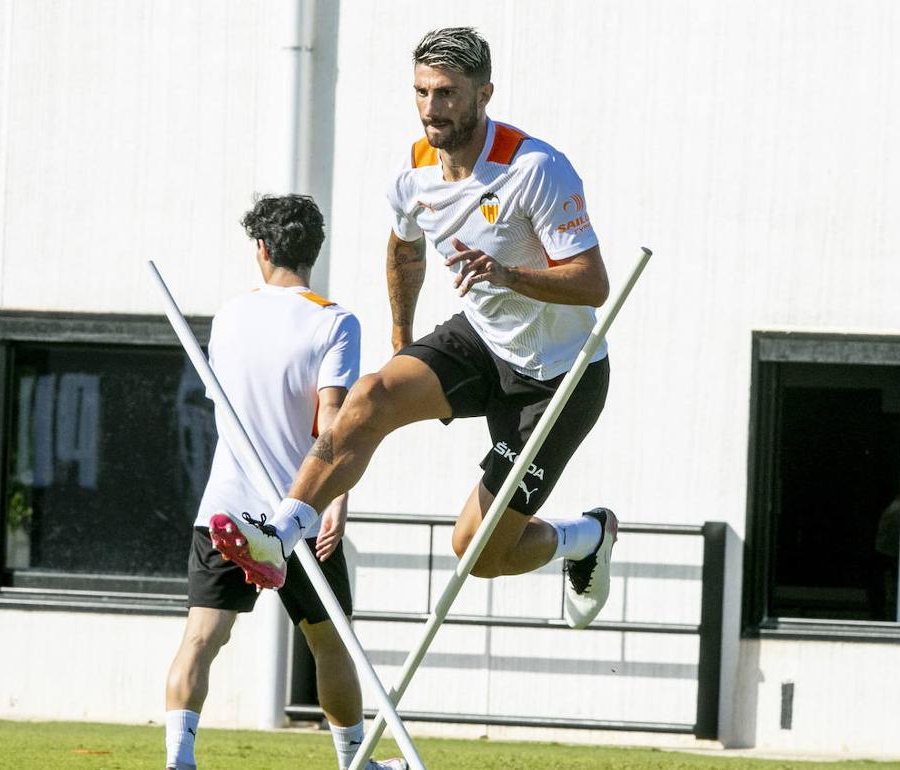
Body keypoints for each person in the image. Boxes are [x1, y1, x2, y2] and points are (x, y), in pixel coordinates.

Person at [211, 27, 619, 631]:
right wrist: (402, 336)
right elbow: (404, 250)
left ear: (484, 93)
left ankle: (586, 537)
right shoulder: (414, 169)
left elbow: (593, 284)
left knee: (478, 553)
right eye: (422, 92)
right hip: (481, 339)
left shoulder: (536, 168)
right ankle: (282, 533)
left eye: (448, 93)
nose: (433, 108)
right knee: (370, 394)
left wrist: (508, 274)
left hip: (559, 377)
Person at [164, 195, 402, 770]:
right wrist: (338, 501)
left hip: (227, 510)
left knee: (202, 637)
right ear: (312, 252)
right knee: (330, 644)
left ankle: (179, 759)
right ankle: (353, 761)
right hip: (300, 510)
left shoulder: (230, 315)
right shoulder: (334, 320)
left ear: (263, 249)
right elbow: (338, 424)